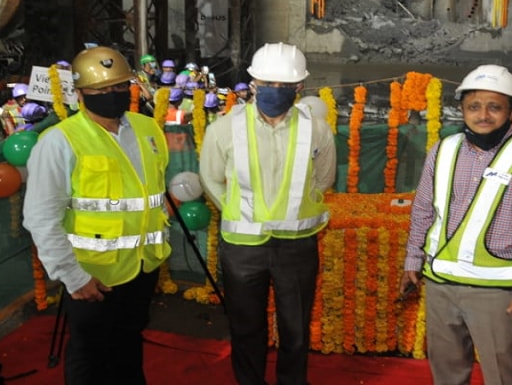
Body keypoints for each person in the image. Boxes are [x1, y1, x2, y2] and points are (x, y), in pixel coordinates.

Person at [400, 64, 512, 385]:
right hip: (441, 285)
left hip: (498, 295)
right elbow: (423, 209)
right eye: (474, 107)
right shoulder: (443, 150)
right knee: (447, 375)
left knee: (503, 377)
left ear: (511, 110)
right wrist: (413, 259)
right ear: (462, 109)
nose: (483, 115)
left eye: (494, 107)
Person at [23, 45, 170, 385]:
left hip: (143, 267)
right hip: (92, 277)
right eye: (101, 90)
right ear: (80, 93)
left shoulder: (149, 130)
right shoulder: (59, 141)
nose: (112, 95)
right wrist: (73, 277)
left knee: (128, 348)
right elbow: (41, 218)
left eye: (120, 86)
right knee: (90, 360)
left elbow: (153, 195)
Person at [200, 42, 335, 385]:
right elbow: (211, 179)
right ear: (254, 84)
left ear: (299, 88)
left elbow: (324, 179)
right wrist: (238, 211)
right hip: (243, 248)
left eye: (285, 86)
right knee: (246, 328)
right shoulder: (224, 129)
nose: (275, 91)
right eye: (268, 84)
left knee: (296, 332)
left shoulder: (317, 129)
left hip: (297, 246)